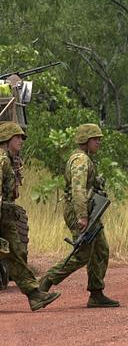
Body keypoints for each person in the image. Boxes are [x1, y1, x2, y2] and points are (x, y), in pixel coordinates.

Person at [39, 123, 119, 308]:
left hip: (89, 210)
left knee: (100, 250)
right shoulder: (80, 160)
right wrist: (82, 216)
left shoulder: (85, 158)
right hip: (80, 211)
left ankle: (96, 293)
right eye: (95, 139)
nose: (99, 142)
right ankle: (46, 280)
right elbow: (78, 190)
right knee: (82, 254)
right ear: (85, 140)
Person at [0, 121, 60, 311]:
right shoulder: (1, 159)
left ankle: (35, 295)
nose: (21, 141)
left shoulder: (9, 160)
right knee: (14, 253)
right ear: (7, 139)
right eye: (17, 137)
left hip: (6, 215)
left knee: (16, 254)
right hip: (2, 215)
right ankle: (34, 295)